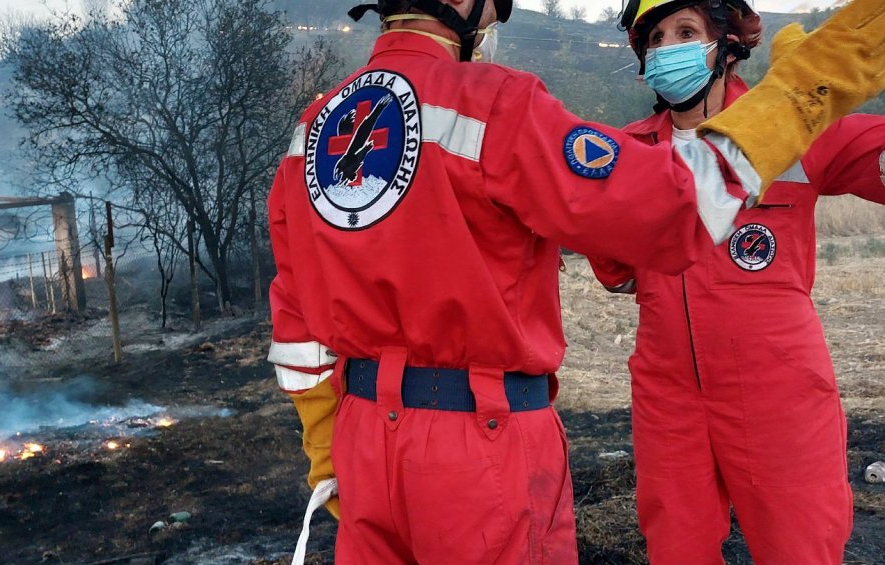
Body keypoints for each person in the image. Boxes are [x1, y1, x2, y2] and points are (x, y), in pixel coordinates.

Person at [266, 0, 884, 562]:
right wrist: (801, 93)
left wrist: (329, 446)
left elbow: (296, 323)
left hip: (365, 438)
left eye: (687, 32)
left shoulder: (310, 129)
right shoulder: (498, 104)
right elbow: (669, 210)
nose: (489, 31)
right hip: (483, 441)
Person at [587, 1, 885, 563]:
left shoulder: (791, 124)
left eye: (685, 32)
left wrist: (825, 99)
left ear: (725, 46)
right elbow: (615, 273)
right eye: (655, 39)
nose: (667, 48)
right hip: (667, 393)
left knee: (800, 546)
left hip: (780, 390)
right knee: (676, 548)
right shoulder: (625, 152)